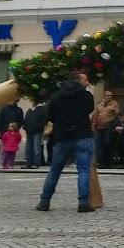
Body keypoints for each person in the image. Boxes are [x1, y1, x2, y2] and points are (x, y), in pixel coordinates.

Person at [36, 72, 96, 213]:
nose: (87, 83)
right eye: (85, 80)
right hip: (82, 135)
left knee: (55, 170)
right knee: (83, 169)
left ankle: (44, 201)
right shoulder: (86, 96)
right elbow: (90, 109)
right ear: (78, 81)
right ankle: (83, 202)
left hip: (62, 136)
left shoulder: (56, 97)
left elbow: (51, 117)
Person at [91, 91, 120, 167]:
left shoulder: (114, 104)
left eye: (111, 95)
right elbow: (95, 116)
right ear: (104, 96)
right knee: (99, 144)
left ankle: (107, 162)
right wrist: (93, 126)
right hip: (99, 127)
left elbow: (117, 115)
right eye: (108, 95)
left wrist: (111, 121)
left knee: (107, 143)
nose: (109, 97)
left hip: (109, 127)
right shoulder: (99, 105)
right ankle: (100, 162)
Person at [23, 100, 48, 169]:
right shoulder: (30, 110)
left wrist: (39, 126)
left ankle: (36, 163)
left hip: (37, 131)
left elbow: (45, 120)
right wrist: (25, 127)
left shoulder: (42, 109)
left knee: (36, 149)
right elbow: (26, 119)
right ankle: (28, 163)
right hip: (29, 131)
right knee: (28, 149)